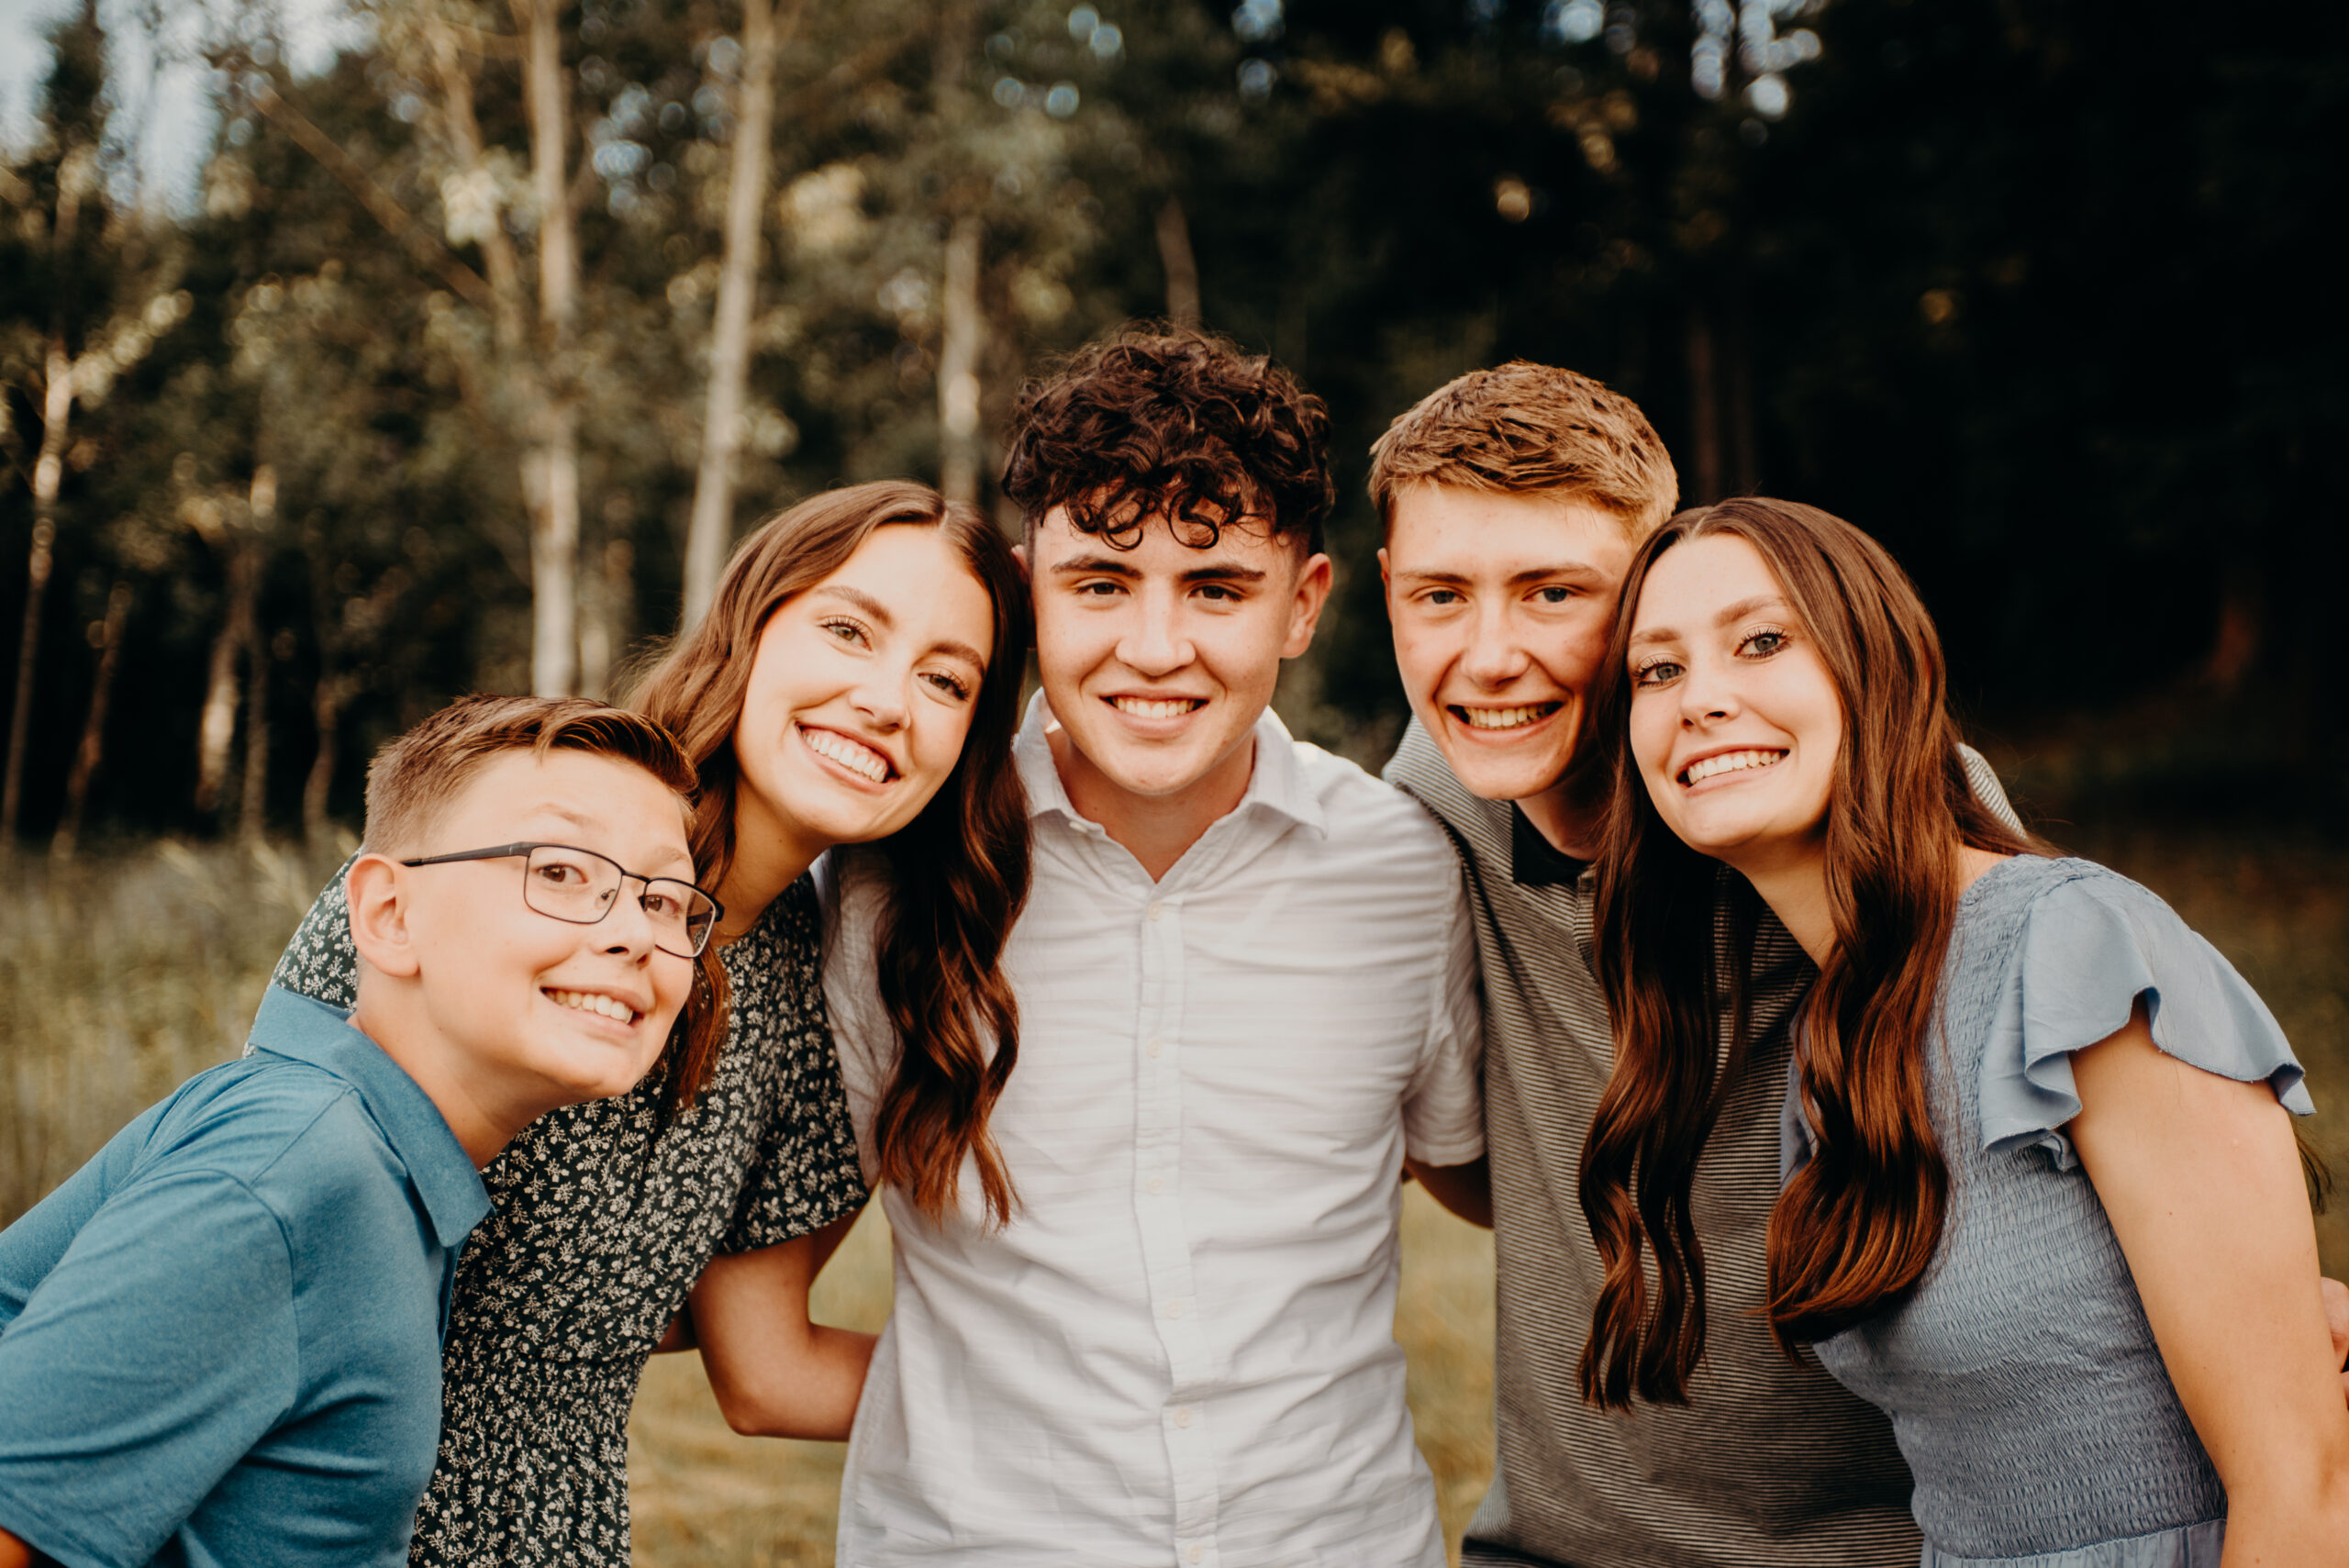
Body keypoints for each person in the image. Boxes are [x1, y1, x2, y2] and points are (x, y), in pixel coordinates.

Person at [263, 480, 1031, 1565]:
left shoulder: (807, 1002)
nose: (886, 698)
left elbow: (765, 1373)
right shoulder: (507, 846)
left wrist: (1081, 1405)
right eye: (848, 628)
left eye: (945, 679)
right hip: (316, 1525)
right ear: (749, 628)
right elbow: (251, 1226)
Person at [822, 327, 1487, 1568]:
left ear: (1304, 603)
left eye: (1218, 586)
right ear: (1029, 592)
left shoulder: (1406, 869)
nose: (1156, 647)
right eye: (1101, 582)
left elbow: (1466, 1172)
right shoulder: (884, 882)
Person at [1583, 495, 2349, 1564]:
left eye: (1761, 641)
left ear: (1877, 673)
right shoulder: (1828, 1033)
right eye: (1655, 671)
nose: (1701, 699)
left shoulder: (2074, 947)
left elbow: (2307, 1490)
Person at [1375, 361, 2015, 1565]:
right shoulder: (1429, 797)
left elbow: (2066, 1099)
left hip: (1873, 1541)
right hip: (1553, 1544)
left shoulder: (1853, 799)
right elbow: (1467, 1169)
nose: (1491, 653)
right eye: (1441, 594)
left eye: (1555, 593)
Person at [0, 695, 707, 1568]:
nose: (637, 932)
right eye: (560, 870)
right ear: (387, 915)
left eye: (668, 899)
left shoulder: (386, 1176)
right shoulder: (296, 1170)